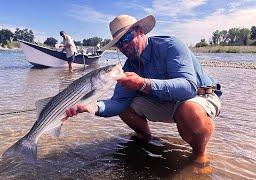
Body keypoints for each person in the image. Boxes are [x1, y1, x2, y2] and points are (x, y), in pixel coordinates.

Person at [63, 15, 222, 164]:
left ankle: (200, 155)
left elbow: (188, 87)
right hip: (167, 102)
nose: (123, 46)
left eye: (126, 38)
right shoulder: (129, 66)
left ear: (140, 32)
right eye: (119, 44)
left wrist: (142, 84)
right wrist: (91, 107)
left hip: (200, 96)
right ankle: (145, 137)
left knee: (189, 110)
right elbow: (118, 102)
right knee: (126, 107)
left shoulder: (171, 45)